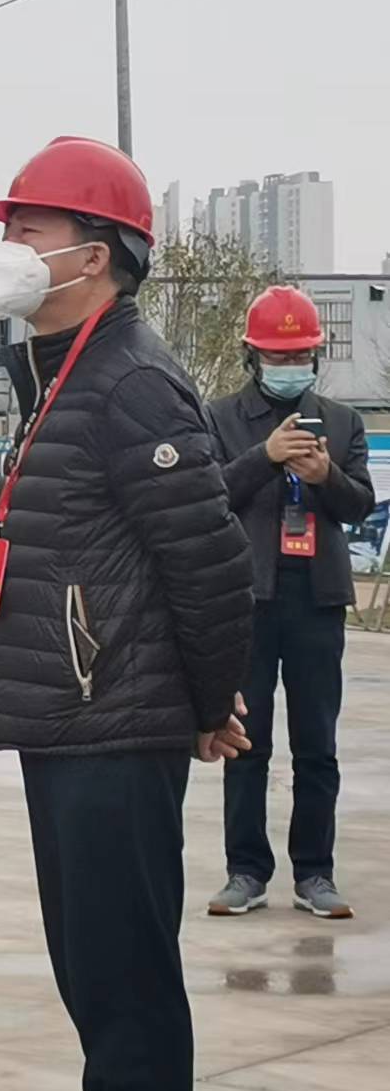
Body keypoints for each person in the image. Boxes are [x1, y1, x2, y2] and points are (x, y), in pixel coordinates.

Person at [0, 137, 255, 1091]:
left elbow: (208, 561)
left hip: (115, 721)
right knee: (91, 971)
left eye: (28, 229)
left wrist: (205, 703)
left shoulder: (130, 380)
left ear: (93, 255)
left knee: (127, 974)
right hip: (67, 715)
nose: (8, 245)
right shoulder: (61, 371)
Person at [205, 285, 375, 921]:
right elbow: (209, 495)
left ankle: (315, 872)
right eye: (277, 357)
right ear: (253, 357)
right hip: (248, 597)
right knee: (247, 742)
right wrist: (265, 456)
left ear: (316, 356)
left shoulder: (341, 422)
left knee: (317, 744)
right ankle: (246, 871)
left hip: (317, 599)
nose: (289, 366)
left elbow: (359, 505)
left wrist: (326, 476)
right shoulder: (221, 419)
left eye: (300, 355)